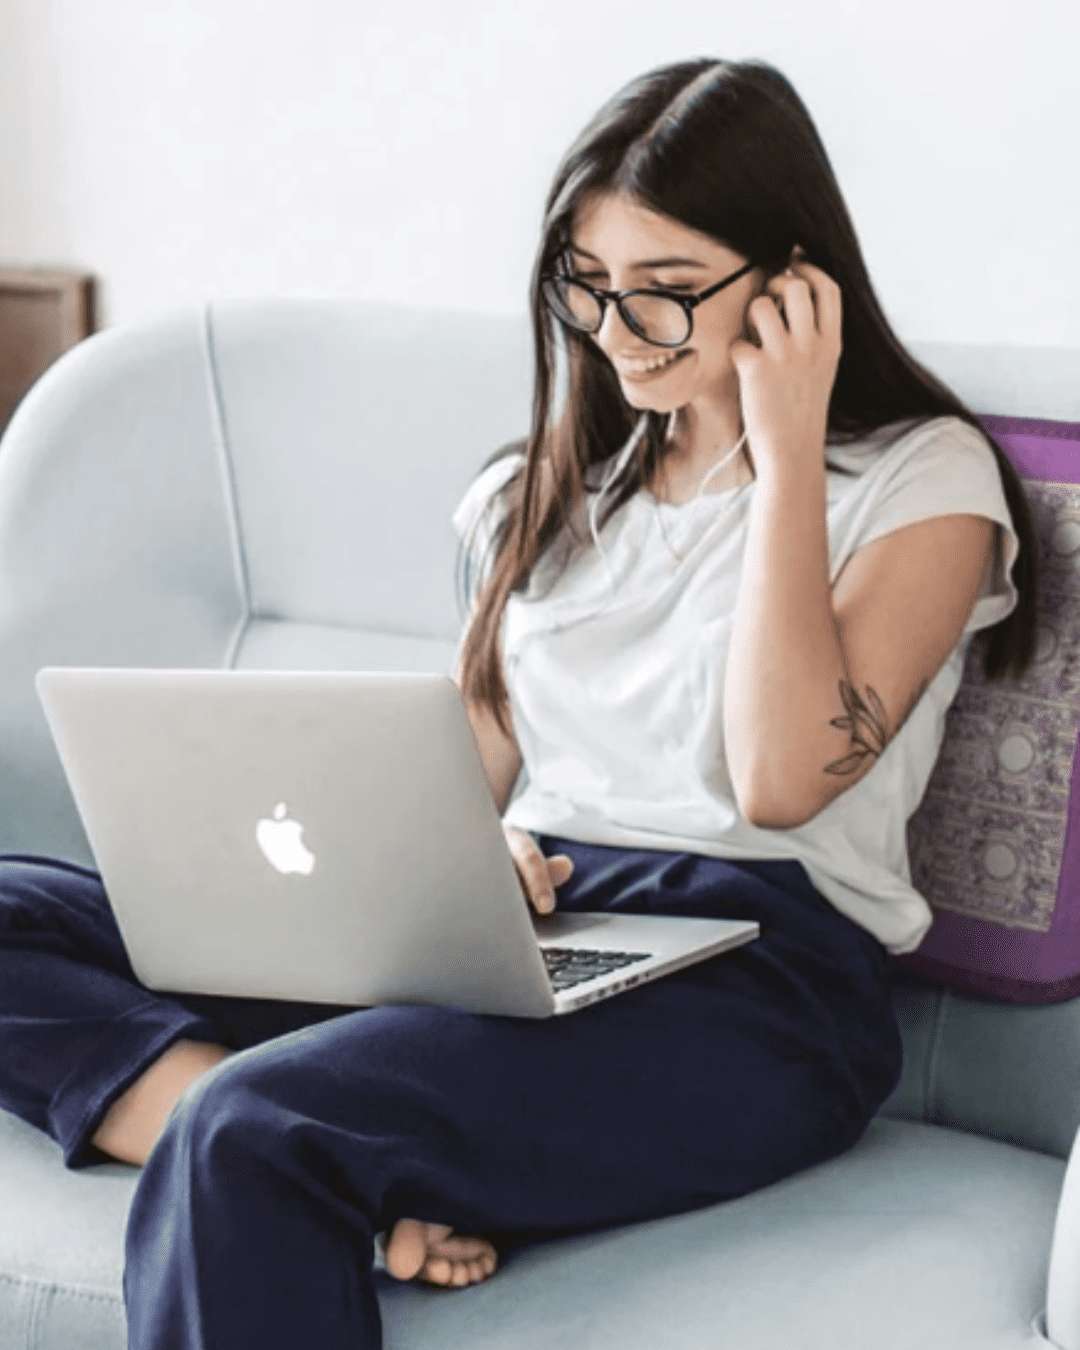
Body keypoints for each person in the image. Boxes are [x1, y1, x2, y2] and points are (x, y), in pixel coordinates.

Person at [0, 56, 1039, 1349]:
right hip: (524, 939)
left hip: (759, 989)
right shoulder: (546, 491)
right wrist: (462, 860)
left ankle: (263, 1134)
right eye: (589, 290)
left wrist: (783, 451)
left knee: (249, 1139)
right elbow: (453, 769)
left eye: (664, 299)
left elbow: (779, 773)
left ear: (790, 288)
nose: (615, 336)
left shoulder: (922, 483)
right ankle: (263, 1133)